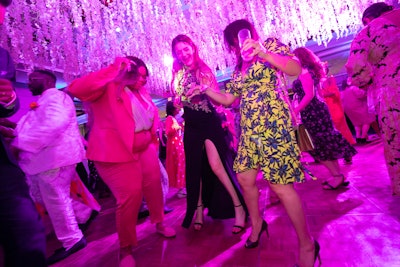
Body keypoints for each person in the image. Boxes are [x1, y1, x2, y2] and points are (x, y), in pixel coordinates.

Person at [187, 19, 319, 266]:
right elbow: (228, 99)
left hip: (274, 126)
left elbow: (293, 69)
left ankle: (307, 244)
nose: (238, 47)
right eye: (233, 45)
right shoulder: (239, 67)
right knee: (246, 178)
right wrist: (205, 89)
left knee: (280, 186)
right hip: (250, 130)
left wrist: (264, 53)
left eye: (237, 41)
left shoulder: (270, 45)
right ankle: (257, 223)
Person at [67, 56, 176, 267]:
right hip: (116, 153)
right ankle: (125, 249)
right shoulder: (108, 87)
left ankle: (159, 222)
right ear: (127, 71)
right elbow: (77, 88)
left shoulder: (142, 93)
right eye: (139, 75)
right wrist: (113, 68)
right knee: (130, 196)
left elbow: (149, 119)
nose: (143, 80)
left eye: (146, 77)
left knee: (154, 186)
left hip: (145, 148)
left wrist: (152, 141)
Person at [11, 70, 92, 265]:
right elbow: (33, 126)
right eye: (28, 80)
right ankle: (83, 212)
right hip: (45, 161)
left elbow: (52, 126)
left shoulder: (57, 97)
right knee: (43, 197)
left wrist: (19, 143)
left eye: (32, 79)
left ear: (47, 80)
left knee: (55, 199)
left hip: (54, 159)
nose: (29, 83)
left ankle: (72, 239)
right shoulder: (44, 100)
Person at [171, 34, 247, 234]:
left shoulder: (203, 69)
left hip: (208, 122)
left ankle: (238, 207)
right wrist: (179, 100)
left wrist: (202, 90)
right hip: (191, 125)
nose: (183, 54)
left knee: (217, 166)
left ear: (193, 48)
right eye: (179, 51)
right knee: (194, 170)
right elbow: (177, 100)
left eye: (186, 49)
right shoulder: (177, 74)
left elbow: (218, 100)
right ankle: (197, 211)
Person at [346, 2, 400, 195]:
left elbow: (356, 68)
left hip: (393, 91)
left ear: (368, 19)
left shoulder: (370, 30)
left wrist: (364, 80)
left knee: (397, 140)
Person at [292, 47, 357, 189]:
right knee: (323, 144)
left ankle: (337, 176)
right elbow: (318, 94)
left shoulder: (304, 72)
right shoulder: (310, 71)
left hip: (313, 112)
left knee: (317, 146)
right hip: (317, 110)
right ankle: (337, 175)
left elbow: (309, 95)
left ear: (299, 58)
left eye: (293, 58)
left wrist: (295, 110)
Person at [341, 79, 376, 144]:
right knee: (366, 122)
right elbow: (361, 95)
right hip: (358, 106)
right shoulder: (353, 88)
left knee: (357, 124)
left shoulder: (342, 92)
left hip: (349, 110)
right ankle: (363, 138)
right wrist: (366, 90)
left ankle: (358, 138)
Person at [165, 101, 186, 198]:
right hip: (175, 146)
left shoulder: (173, 119)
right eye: (176, 107)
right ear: (172, 109)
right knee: (179, 165)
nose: (178, 109)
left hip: (178, 144)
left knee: (181, 164)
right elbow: (168, 131)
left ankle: (182, 187)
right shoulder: (169, 119)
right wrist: (176, 127)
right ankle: (180, 189)